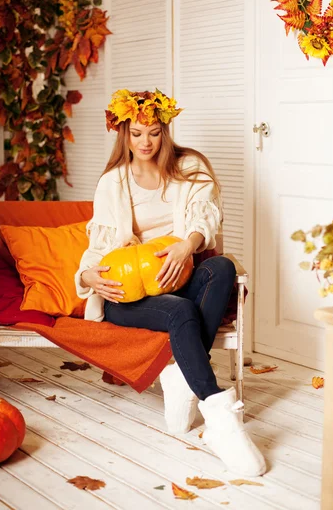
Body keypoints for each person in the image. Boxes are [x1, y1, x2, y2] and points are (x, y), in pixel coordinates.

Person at [75, 89, 266, 477]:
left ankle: (181, 371)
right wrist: (87, 276)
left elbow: (205, 219)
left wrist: (187, 247)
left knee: (223, 269)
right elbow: (98, 247)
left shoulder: (190, 166)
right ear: (123, 134)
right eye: (137, 133)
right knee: (180, 310)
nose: (145, 142)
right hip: (129, 296)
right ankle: (221, 420)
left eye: (154, 132)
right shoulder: (113, 182)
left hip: (178, 278)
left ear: (166, 131)